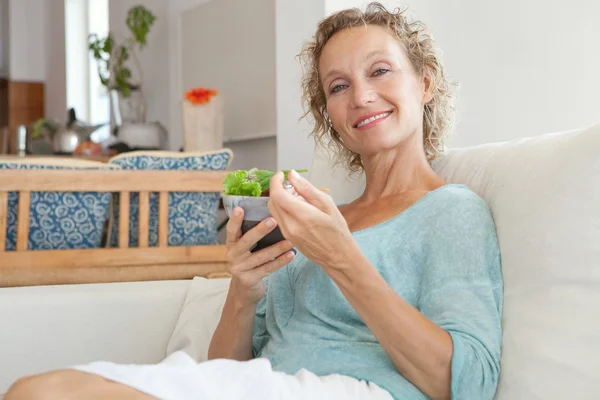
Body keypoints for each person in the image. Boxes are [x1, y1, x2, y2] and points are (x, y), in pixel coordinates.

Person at [5, 3, 502, 400]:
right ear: (329, 113)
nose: (362, 97)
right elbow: (227, 371)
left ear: (425, 82)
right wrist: (243, 290)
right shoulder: (312, 223)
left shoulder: (451, 212)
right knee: (34, 391)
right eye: (339, 86)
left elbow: (466, 384)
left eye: (380, 71)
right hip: (267, 384)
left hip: (354, 390)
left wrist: (344, 258)